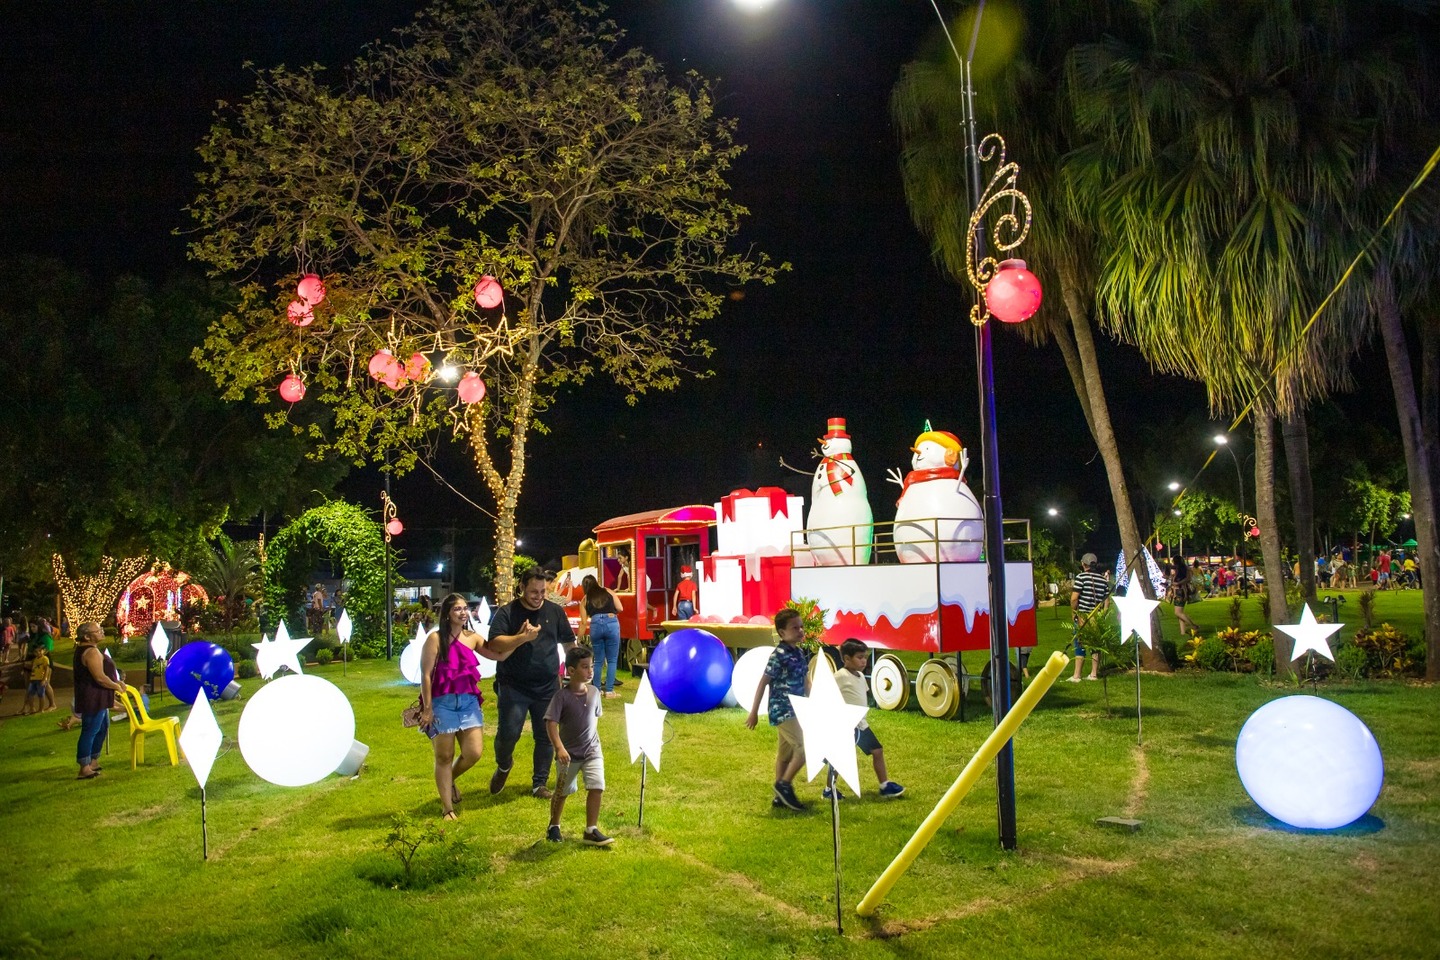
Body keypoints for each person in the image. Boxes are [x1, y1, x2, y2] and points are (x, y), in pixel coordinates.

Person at [418, 593, 527, 821]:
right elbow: (426, 675)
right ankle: (447, 808)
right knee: (444, 757)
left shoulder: (473, 638)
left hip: (468, 702)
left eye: (465, 608)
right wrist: (427, 708)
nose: (463, 612)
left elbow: (499, 655)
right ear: (447, 613)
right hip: (443, 703)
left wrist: (521, 638)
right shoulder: (435, 639)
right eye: (457, 609)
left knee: (473, 753)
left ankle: (450, 780)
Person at [488, 568, 577, 799]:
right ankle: (504, 765)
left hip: (547, 687)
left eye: (542, 591)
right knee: (508, 733)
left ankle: (539, 783)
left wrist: (577, 670)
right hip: (513, 685)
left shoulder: (555, 612)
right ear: (522, 588)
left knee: (546, 735)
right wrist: (522, 638)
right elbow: (495, 644)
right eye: (533, 592)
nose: (539, 596)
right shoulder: (507, 613)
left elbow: (569, 644)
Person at [543, 646, 613, 846]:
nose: (590, 671)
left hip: (592, 751)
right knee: (562, 791)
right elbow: (551, 723)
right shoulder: (561, 697)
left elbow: (595, 718)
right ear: (571, 671)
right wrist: (559, 748)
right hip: (568, 755)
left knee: (597, 786)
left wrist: (593, 741)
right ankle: (554, 826)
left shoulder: (594, 692)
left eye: (591, 666)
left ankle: (591, 830)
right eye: (585, 667)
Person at [745, 608, 811, 810]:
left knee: (786, 754)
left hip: (798, 708)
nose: (800, 631)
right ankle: (783, 785)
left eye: (801, 626)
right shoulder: (779, 655)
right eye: (794, 628)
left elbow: (806, 681)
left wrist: (813, 702)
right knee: (803, 749)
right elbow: (763, 682)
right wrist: (754, 712)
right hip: (783, 709)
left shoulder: (799, 652)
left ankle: (778, 798)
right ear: (782, 633)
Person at [831, 639, 905, 799]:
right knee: (840, 757)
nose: (864, 661)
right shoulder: (840, 677)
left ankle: (884, 785)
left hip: (861, 724)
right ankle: (829, 789)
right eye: (859, 657)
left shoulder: (861, 676)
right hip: (848, 725)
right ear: (846, 659)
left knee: (877, 751)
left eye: (864, 657)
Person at [73, 622, 126, 780]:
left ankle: (93, 760)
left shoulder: (89, 650)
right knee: (90, 730)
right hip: (93, 697)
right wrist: (116, 686)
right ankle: (84, 766)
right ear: (87, 636)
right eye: (98, 631)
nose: (102, 632)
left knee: (102, 727)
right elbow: (99, 677)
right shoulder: (90, 652)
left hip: (99, 697)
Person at [579, 574, 623, 700]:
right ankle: (609, 691)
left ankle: (597, 690)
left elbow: (583, 622)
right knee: (612, 660)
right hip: (611, 622)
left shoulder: (585, 599)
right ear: (596, 582)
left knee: (597, 660)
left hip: (595, 624)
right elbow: (620, 607)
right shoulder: (608, 591)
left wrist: (578, 637)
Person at [1068, 553, 1111, 682]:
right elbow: (1107, 602)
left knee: (1079, 644)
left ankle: (1077, 675)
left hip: (1083, 616)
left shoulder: (1081, 577)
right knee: (1095, 645)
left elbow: (1074, 598)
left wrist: (1074, 612)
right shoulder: (1103, 580)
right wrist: (1101, 615)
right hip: (1096, 617)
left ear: (1083, 564)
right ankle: (1093, 674)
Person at [1169, 558, 1198, 636]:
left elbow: (1173, 578)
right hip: (1182, 591)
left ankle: (1193, 625)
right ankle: (1182, 632)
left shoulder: (1177, 569)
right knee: (1180, 613)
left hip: (1179, 592)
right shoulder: (1186, 569)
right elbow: (1188, 578)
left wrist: (1177, 583)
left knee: (1178, 612)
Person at [22, 645, 50, 715]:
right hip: (33, 679)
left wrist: (44, 679)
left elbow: (47, 669)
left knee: (41, 694)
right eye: (36, 652)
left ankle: (41, 709)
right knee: (30, 693)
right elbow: (33, 668)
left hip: (40, 679)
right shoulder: (35, 660)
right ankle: (32, 709)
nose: (38, 653)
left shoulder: (45, 659)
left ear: (43, 651)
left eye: (40, 651)